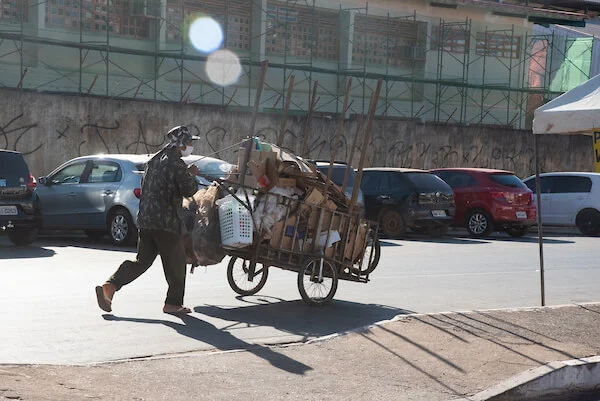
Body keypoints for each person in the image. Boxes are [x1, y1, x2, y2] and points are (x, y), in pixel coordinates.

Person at [95, 125, 201, 314]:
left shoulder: (154, 160)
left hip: (145, 220)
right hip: (166, 223)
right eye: (190, 142)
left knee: (141, 262)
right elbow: (190, 190)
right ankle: (173, 304)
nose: (192, 146)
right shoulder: (176, 163)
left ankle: (110, 286)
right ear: (182, 144)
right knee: (176, 264)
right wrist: (191, 175)